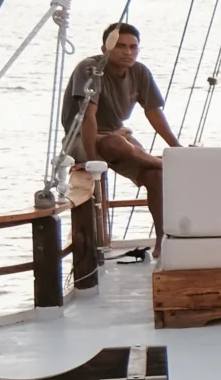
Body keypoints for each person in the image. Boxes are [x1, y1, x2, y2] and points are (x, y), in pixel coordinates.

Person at [62, 22, 180, 249]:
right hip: (80, 138)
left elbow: (153, 112)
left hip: (115, 137)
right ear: (105, 48)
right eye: (120, 46)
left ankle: (161, 240)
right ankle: (167, 164)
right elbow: (89, 117)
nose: (128, 52)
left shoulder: (140, 72)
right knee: (118, 143)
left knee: (154, 175)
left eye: (133, 47)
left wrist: (177, 148)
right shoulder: (90, 68)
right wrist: (92, 159)